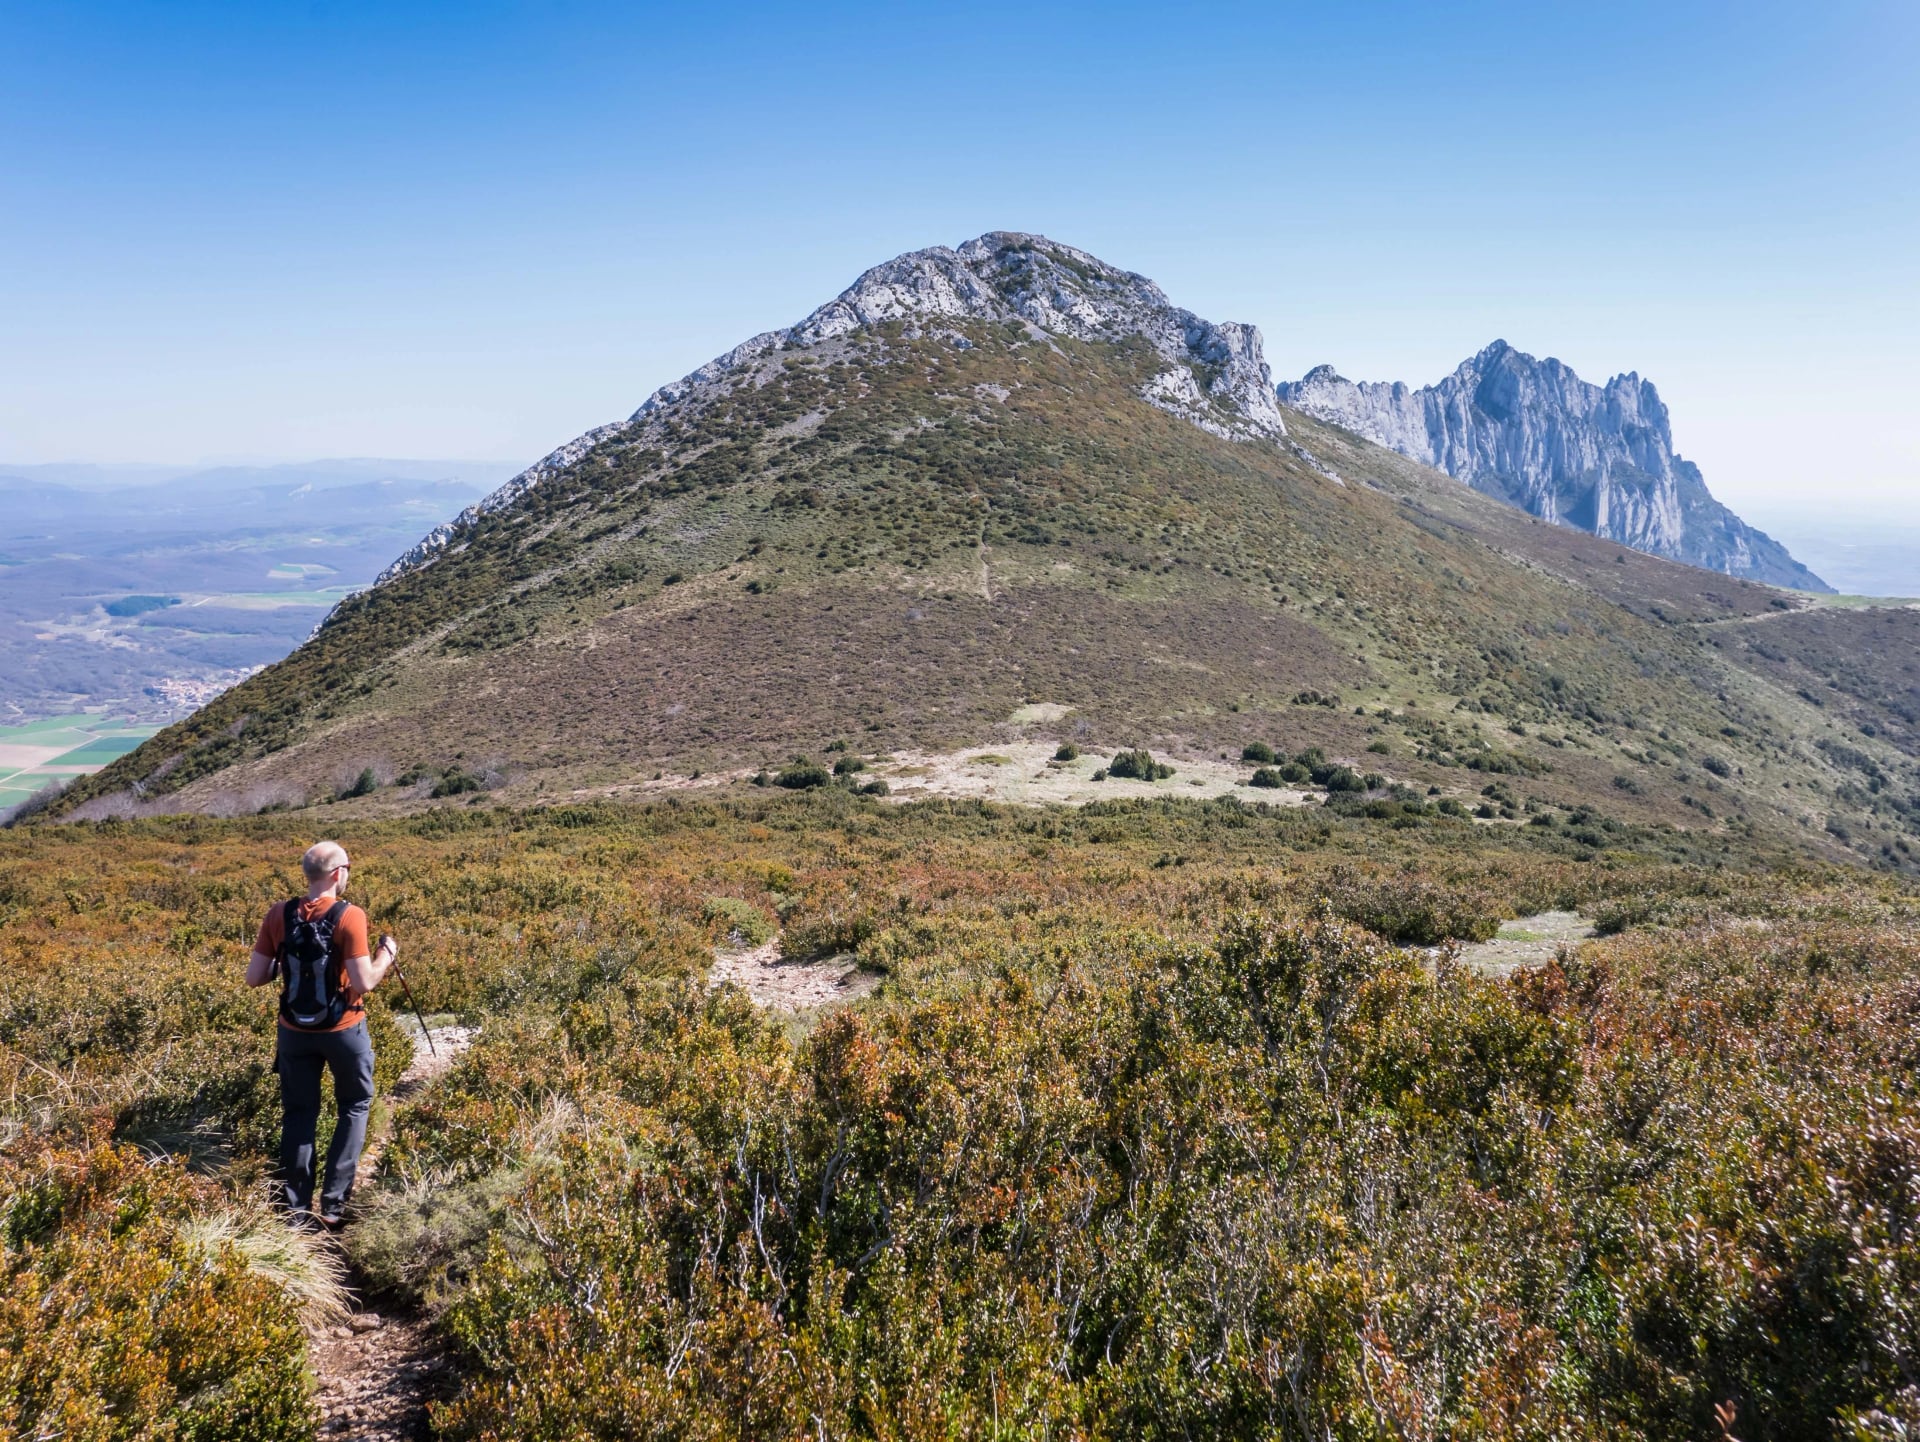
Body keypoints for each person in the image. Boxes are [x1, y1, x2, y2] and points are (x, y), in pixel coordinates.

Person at [245, 839, 397, 1228]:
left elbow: (255, 978)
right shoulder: (350, 916)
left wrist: (291, 965)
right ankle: (333, 1206)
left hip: (293, 1032)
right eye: (348, 866)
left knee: (299, 1113)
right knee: (355, 1105)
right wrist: (387, 957)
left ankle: (295, 1211)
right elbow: (363, 983)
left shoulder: (278, 914)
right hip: (344, 1028)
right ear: (336, 873)